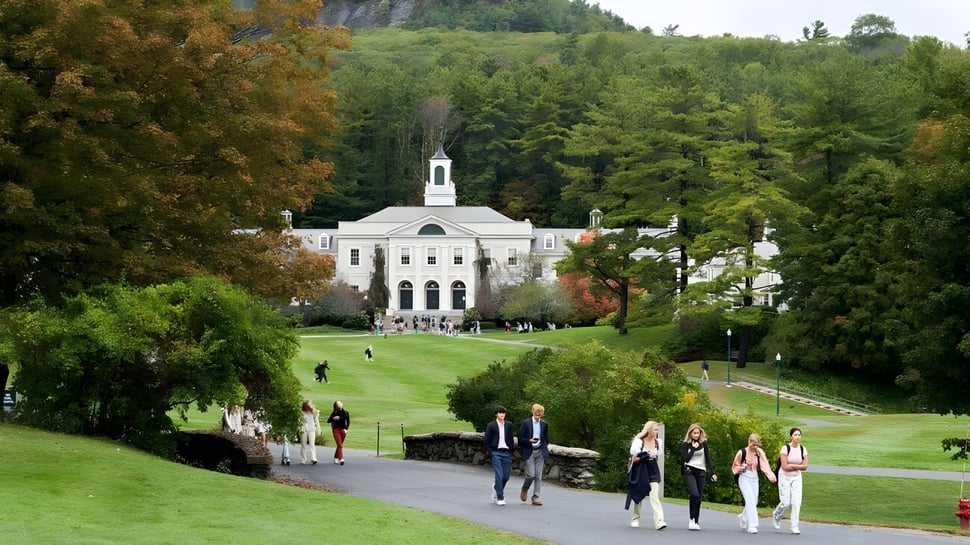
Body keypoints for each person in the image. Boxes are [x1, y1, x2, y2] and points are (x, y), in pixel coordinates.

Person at [732, 433, 777, 533]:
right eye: (753, 444)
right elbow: (735, 466)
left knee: (754, 501)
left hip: (754, 477)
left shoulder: (759, 452)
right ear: (749, 442)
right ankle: (752, 525)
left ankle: (743, 517)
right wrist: (740, 468)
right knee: (750, 500)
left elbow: (765, 464)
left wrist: (770, 475)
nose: (755, 447)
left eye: (757, 445)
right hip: (744, 477)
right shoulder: (742, 452)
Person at [627, 421, 666, 530]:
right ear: (648, 430)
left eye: (657, 430)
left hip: (653, 470)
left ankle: (659, 521)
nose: (657, 432)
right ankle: (635, 518)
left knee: (654, 496)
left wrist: (652, 455)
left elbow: (658, 455)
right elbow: (634, 459)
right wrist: (646, 455)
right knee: (639, 495)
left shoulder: (658, 442)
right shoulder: (639, 442)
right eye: (655, 429)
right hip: (641, 470)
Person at [681, 423, 717, 530]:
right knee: (694, 494)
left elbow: (708, 458)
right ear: (690, 433)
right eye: (694, 433)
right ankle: (691, 518)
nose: (696, 435)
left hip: (701, 471)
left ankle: (696, 521)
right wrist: (692, 448)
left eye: (698, 433)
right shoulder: (686, 444)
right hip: (689, 470)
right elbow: (685, 459)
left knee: (699, 497)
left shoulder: (704, 443)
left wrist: (712, 472)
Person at [772, 427, 808, 534]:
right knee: (785, 502)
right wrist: (797, 466)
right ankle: (777, 515)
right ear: (791, 436)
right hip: (784, 476)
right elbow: (784, 467)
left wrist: (792, 465)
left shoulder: (803, 449)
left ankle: (794, 526)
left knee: (797, 502)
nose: (797, 437)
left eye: (799, 435)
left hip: (796, 477)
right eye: (795, 435)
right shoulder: (785, 448)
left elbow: (805, 466)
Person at [517, 403, 550, 506]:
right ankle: (525, 488)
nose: (537, 415)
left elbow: (546, 438)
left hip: (540, 451)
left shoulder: (544, 424)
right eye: (536, 413)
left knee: (538, 476)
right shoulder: (525, 423)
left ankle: (536, 497)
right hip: (529, 450)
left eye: (540, 414)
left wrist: (543, 445)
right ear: (532, 411)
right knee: (531, 475)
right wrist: (529, 441)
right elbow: (520, 439)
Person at [484, 405, 516, 506]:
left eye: (503, 413)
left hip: (506, 453)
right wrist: (491, 452)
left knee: (506, 477)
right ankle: (500, 497)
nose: (502, 414)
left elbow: (511, 439)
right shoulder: (491, 426)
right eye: (500, 413)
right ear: (496, 414)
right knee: (499, 475)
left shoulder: (509, 425)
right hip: (496, 452)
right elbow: (486, 440)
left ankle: (496, 488)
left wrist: (510, 451)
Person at [326, 400, 351, 465]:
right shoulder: (334, 413)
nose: (340, 405)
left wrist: (346, 429)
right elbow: (328, 421)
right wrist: (334, 418)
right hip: (336, 430)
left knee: (339, 445)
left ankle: (336, 457)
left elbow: (348, 422)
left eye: (340, 403)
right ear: (336, 406)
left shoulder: (346, 413)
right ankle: (341, 459)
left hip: (343, 430)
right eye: (338, 404)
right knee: (340, 445)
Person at [299, 400, 321, 465]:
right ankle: (303, 459)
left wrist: (318, 429)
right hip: (303, 429)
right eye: (309, 405)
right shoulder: (302, 412)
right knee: (303, 445)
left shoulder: (314, 412)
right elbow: (299, 421)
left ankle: (314, 458)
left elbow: (316, 421)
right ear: (305, 406)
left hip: (312, 429)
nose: (310, 406)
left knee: (312, 444)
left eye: (311, 404)